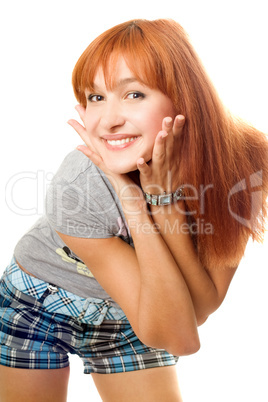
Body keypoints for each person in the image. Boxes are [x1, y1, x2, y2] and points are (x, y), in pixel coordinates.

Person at [0, 18, 267, 402]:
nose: (108, 121)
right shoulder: (78, 185)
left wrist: (165, 204)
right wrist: (134, 201)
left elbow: (195, 317)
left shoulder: (242, 163)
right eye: (96, 98)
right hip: (36, 302)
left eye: (134, 94)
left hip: (138, 311)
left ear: (184, 97)